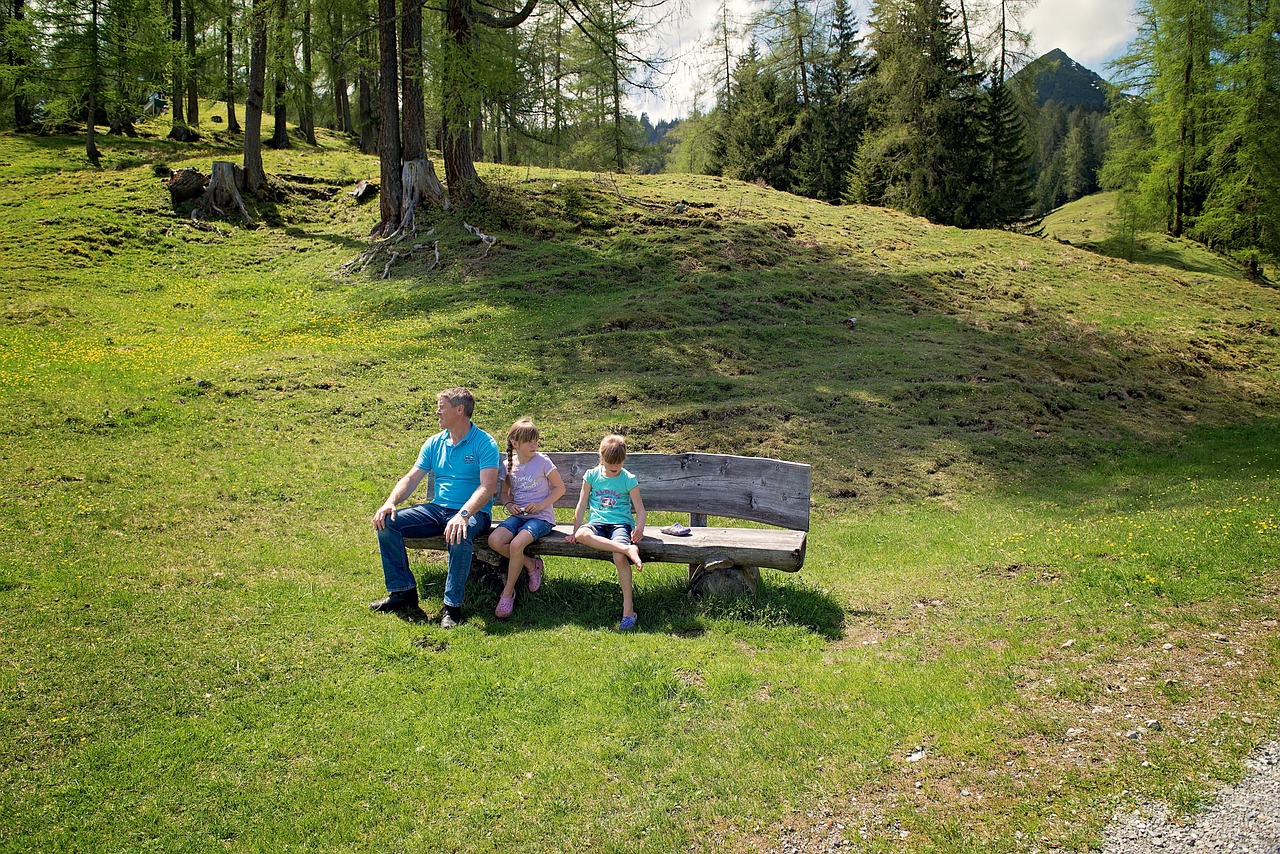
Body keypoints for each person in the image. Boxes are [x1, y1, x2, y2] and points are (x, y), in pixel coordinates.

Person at [370, 387, 499, 628]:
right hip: (437, 509)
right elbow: (411, 478)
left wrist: (463, 514)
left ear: (459, 410)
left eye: (442, 407)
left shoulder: (484, 443)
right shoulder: (434, 442)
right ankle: (402, 593)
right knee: (387, 524)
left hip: (473, 513)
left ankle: (452, 607)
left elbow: (488, 487)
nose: (437, 412)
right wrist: (390, 502)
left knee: (459, 533)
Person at [489, 418, 567, 619]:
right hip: (520, 515)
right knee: (494, 541)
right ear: (515, 443)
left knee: (516, 545)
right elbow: (505, 493)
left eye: (536, 441)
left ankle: (508, 593)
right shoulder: (508, 465)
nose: (534, 445)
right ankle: (531, 564)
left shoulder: (543, 462)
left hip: (541, 518)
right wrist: (508, 504)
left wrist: (541, 505)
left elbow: (560, 488)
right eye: (529, 441)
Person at [567, 434, 647, 630]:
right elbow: (582, 503)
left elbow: (641, 509)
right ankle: (628, 549)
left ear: (624, 459)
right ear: (601, 457)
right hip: (597, 524)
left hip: (620, 524)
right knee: (582, 536)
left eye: (619, 463)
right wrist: (574, 530)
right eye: (611, 462)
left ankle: (628, 611)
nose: (615, 467)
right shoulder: (592, 475)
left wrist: (640, 528)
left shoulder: (628, 479)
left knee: (619, 558)